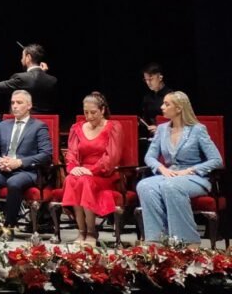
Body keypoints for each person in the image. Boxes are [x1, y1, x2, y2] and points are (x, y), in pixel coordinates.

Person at [136, 91, 223, 247]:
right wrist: (161, 168)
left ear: (179, 108)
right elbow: (149, 157)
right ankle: (157, 239)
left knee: (171, 186)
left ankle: (186, 241)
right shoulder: (162, 129)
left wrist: (190, 170)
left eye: (167, 104)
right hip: (170, 174)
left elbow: (216, 160)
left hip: (194, 177)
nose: (162, 107)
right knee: (144, 185)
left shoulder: (197, 129)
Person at [0, 90, 53, 230]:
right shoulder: (4, 125)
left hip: (27, 171)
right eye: (13, 103)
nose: (14, 106)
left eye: (19, 102)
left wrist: (19, 162)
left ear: (29, 105)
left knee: (14, 182)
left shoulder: (39, 126)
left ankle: (9, 224)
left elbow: (46, 154)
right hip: (4, 169)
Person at [61, 91, 123, 246]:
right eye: (86, 112)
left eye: (93, 112)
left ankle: (91, 231)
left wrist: (92, 170)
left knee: (85, 181)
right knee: (71, 179)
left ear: (102, 110)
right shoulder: (77, 128)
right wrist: (73, 168)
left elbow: (112, 156)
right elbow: (72, 153)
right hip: (82, 171)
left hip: (104, 174)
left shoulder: (113, 127)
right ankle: (81, 231)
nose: (89, 116)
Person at [0, 43, 57, 113]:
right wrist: (43, 73)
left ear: (28, 57)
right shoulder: (53, 80)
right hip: (48, 121)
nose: (21, 60)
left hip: (26, 121)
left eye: (22, 57)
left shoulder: (21, 78)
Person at [140, 63, 170, 135]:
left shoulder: (171, 96)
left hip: (168, 135)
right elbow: (146, 120)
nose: (148, 83)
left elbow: (177, 121)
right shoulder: (147, 98)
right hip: (152, 136)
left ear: (160, 77)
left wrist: (160, 129)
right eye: (146, 79)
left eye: (150, 79)